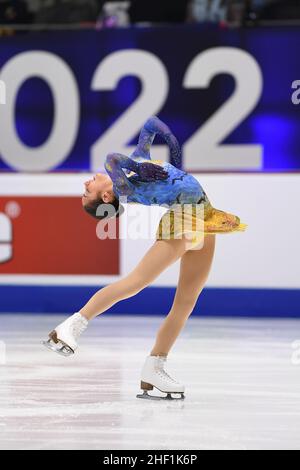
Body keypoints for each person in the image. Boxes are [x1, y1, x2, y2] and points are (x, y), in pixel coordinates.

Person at [43, 116, 246, 400]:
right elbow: (112, 159)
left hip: (204, 217)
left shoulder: (137, 165)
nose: (87, 182)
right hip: (182, 219)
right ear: (105, 196)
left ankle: (154, 366)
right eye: (87, 189)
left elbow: (151, 124)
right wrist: (139, 167)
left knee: (187, 301)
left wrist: (171, 145)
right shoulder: (126, 188)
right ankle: (71, 327)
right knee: (137, 281)